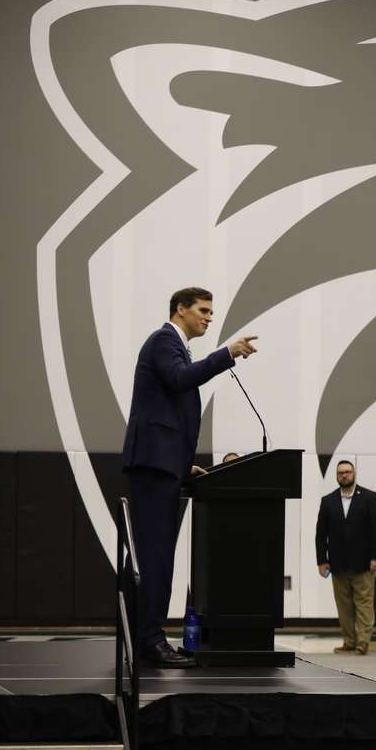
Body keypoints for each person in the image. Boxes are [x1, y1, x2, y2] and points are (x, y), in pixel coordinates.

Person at [121, 286, 257, 668]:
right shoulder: (164, 340)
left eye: (211, 312)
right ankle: (149, 642)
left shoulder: (173, 344)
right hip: (151, 467)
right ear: (180, 309)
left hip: (163, 467)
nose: (209, 317)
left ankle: (146, 639)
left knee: (157, 559)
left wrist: (182, 466)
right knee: (155, 559)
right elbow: (181, 380)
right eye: (203, 310)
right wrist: (227, 354)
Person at [315, 459, 376, 655]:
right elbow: (321, 534)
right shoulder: (327, 501)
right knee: (344, 605)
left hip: (364, 563)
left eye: (348, 472)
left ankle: (363, 642)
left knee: (364, 603)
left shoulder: (370, 498)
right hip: (337, 564)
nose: (344, 475)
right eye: (341, 473)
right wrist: (321, 560)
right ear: (337, 477)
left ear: (354, 475)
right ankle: (349, 641)